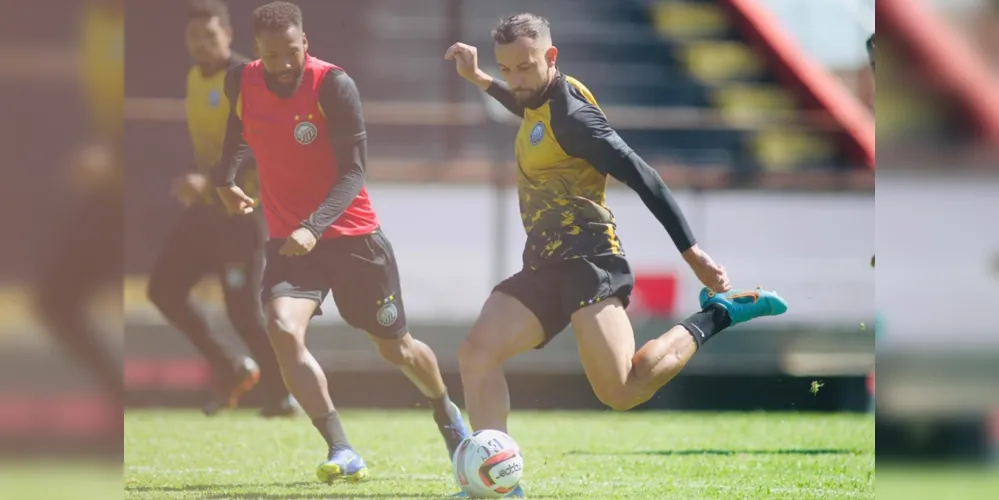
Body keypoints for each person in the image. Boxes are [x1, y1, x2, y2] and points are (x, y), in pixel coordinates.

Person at [446, 14, 788, 497]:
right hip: (543, 262)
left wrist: (691, 252)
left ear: (551, 56)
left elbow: (643, 175)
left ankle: (719, 314)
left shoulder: (574, 117)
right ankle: (501, 486)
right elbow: (525, 104)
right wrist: (481, 78)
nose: (516, 80)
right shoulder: (537, 96)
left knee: (623, 389)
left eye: (524, 67)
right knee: (477, 352)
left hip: (589, 261)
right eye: (507, 69)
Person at [213, 1, 469, 484]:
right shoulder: (240, 81)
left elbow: (354, 171)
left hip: (354, 240)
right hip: (290, 244)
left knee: (397, 350)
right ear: (257, 50)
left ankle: (447, 413)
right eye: (272, 55)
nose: (283, 63)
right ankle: (342, 447)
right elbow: (238, 127)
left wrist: (313, 225)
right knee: (281, 328)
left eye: (292, 51)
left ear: (305, 43)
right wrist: (224, 178)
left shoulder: (333, 84)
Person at [146, 0, 298, 418]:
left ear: (228, 35)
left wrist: (212, 178)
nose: (202, 43)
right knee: (163, 289)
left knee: (242, 312)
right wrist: (198, 179)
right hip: (207, 212)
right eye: (194, 36)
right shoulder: (195, 78)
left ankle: (282, 394)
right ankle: (229, 366)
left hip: (241, 213)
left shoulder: (249, 79)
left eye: (210, 35)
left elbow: (263, 145)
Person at [34, 0, 124, 460]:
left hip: (154, 189)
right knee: (57, 300)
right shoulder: (95, 20)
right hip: (111, 195)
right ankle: (123, 405)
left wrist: (119, 154)